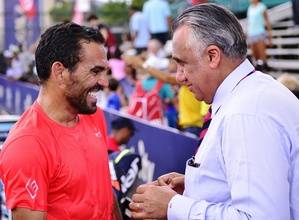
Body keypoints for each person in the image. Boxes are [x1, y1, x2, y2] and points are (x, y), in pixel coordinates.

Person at [129, 3, 299, 219]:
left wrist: (173, 207)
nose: (179, 77)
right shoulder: (249, 95)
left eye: (183, 64)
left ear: (212, 56)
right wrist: (199, 183)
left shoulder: (246, 114)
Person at [0, 22, 121, 220]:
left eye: (105, 71)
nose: (105, 82)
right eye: (95, 71)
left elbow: (104, 191)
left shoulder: (93, 115)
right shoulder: (27, 145)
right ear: (60, 72)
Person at [247, 0, 272, 71]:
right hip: (251, 34)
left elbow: (267, 21)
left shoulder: (262, 7)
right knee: (255, 55)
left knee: (262, 54)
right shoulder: (250, 8)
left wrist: (270, 36)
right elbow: (250, 22)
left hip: (260, 33)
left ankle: (265, 68)